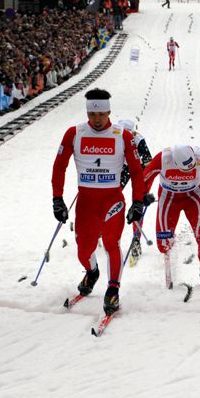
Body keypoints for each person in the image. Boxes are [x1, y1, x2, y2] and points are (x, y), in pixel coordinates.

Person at [51, 89, 148, 315]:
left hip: (112, 199)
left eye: (101, 115)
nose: (96, 120)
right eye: (92, 115)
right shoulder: (74, 133)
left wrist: (137, 202)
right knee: (84, 249)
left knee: (111, 242)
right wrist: (57, 198)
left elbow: (136, 170)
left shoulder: (122, 135)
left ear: (109, 112)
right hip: (86, 201)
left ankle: (113, 289)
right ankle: (91, 271)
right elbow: (59, 166)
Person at [143, 144, 200, 288]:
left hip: (193, 196)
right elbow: (144, 179)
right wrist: (142, 197)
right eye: (185, 169)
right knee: (163, 242)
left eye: (191, 167)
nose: (189, 171)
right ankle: (169, 275)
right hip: (168, 197)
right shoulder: (163, 158)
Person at [119, 119, 153, 260]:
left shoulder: (139, 141)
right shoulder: (115, 138)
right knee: (110, 196)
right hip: (123, 168)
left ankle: (136, 240)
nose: (132, 135)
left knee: (138, 204)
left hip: (139, 170)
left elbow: (148, 162)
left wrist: (144, 190)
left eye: (132, 133)